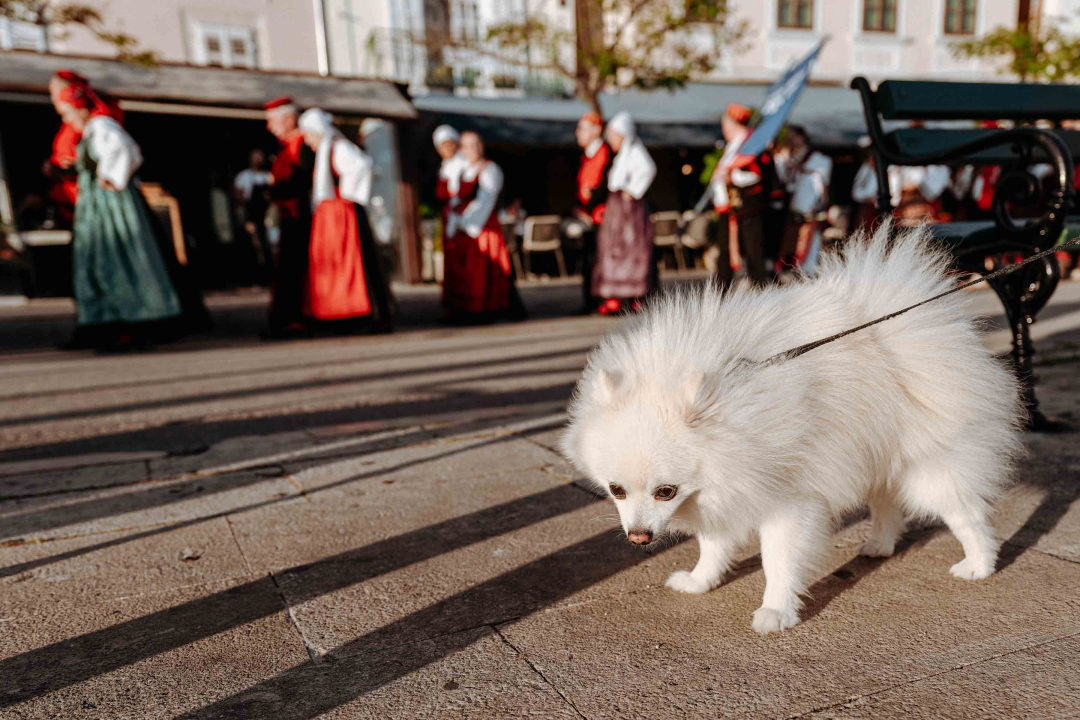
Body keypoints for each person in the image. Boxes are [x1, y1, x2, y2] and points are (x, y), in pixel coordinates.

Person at [57, 84, 183, 349]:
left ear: (80, 109)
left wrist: (112, 177)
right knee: (101, 264)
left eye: (68, 113)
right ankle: (110, 325)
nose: (66, 120)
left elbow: (127, 150)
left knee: (122, 259)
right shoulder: (92, 130)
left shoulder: (102, 125)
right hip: (97, 206)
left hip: (111, 205)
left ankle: (133, 325)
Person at [297, 108, 393, 332]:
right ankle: (339, 312)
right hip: (331, 216)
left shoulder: (338, 147)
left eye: (309, 136)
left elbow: (362, 165)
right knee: (333, 264)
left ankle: (364, 313)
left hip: (342, 215)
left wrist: (348, 195)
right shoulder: (327, 150)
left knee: (354, 262)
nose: (308, 142)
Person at [442, 131, 525, 322]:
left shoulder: (489, 169)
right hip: (463, 226)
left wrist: (466, 223)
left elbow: (486, 201)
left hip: (482, 226)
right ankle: (466, 309)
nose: (474, 150)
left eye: (477, 144)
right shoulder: (463, 171)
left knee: (485, 268)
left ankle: (488, 308)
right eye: (468, 146)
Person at [593, 112, 656, 315]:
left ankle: (634, 296)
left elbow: (648, 169)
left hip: (629, 212)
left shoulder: (636, 152)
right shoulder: (621, 155)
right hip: (617, 209)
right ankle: (617, 297)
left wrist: (633, 190)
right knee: (614, 250)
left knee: (632, 249)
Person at [707, 103, 775, 288]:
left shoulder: (751, 145)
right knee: (726, 251)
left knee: (754, 251)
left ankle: (761, 288)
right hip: (728, 208)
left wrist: (731, 176)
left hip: (747, 206)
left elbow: (757, 174)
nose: (724, 129)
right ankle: (722, 288)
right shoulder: (733, 147)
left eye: (727, 124)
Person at [43, 70, 123, 227]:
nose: (53, 97)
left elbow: (103, 161)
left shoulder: (98, 125)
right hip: (72, 199)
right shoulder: (74, 123)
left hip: (90, 200)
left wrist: (67, 170)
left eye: (54, 91)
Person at [264, 96, 314, 338]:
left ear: (289, 119)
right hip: (288, 215)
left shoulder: (303, 144)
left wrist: (277, 188)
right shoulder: (285, 147)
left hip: (301, 216)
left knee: (298, 267)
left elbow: (304, 181)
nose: (269, 127)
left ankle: (299, 318)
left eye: (273, 120)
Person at [774, 125, 833, 273]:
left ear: (801, 138)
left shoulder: (818, 160)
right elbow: (786, 183)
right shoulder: (789, 159)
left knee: (811, 244)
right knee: (793, 243)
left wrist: (818, 204)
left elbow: (821, 184)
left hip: (811, 209)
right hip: (795, 209)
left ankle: (808, 273)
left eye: (793, 137)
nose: (790, 140)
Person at [571, 111, 612, 314]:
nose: (578, 133)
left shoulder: (606, 152)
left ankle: (603, 300)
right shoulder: (585, 156)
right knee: (587, 261)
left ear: (596, 130)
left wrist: (589, 207)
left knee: (601, 260)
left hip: (602, 217)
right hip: (587, 216)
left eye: (582, 128)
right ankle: (589, 301)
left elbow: (605, 185)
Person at [234, 149, 274, 281]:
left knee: (271, 244)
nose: (259, 160)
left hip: (269, 214)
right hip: (252, 215)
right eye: (256, 157)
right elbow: (239, 199)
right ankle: (258, 276)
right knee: (256, 245)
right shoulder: (243, 177)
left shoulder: (269, 175)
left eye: (261, 157)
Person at [433, 125, 465, 234]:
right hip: (448, 215)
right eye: (444, 146)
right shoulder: (444, 167)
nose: (448, 149)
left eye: (450, 145)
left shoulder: (464, 164)